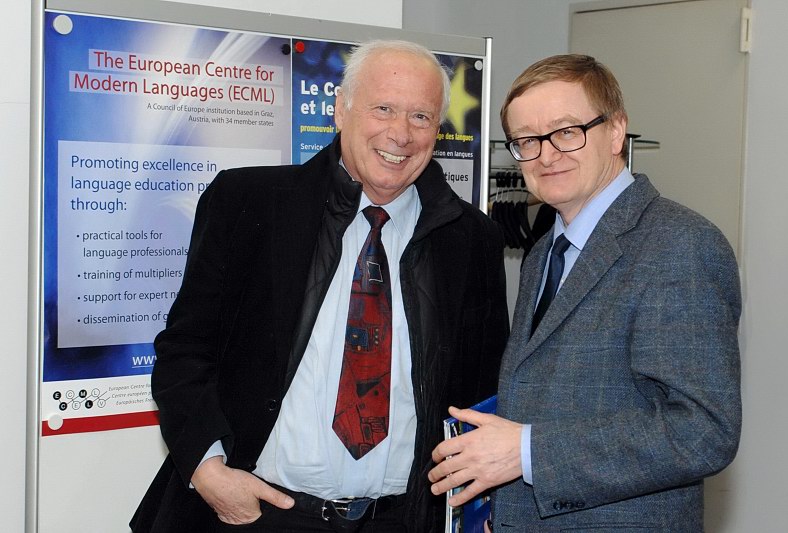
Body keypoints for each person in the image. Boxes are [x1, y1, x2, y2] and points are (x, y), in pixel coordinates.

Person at [130, 40, 509, 533]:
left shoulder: (472, 239)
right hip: (260, 516)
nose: (400, 133)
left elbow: (483, 388)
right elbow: (185, 350)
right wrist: (208, 471)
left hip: (401, 519)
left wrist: (479, 509)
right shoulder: (247, 203)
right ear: (340, 110)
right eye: (383, 108)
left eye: (420, 116)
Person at [428, 54, 741, 532]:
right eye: (526, 140)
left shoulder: (681, 244)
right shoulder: (544, 252)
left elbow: (701, 430)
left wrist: (526, 452)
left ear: (615, 132)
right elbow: (538, 399)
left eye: (566, 131)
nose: (546, 155)